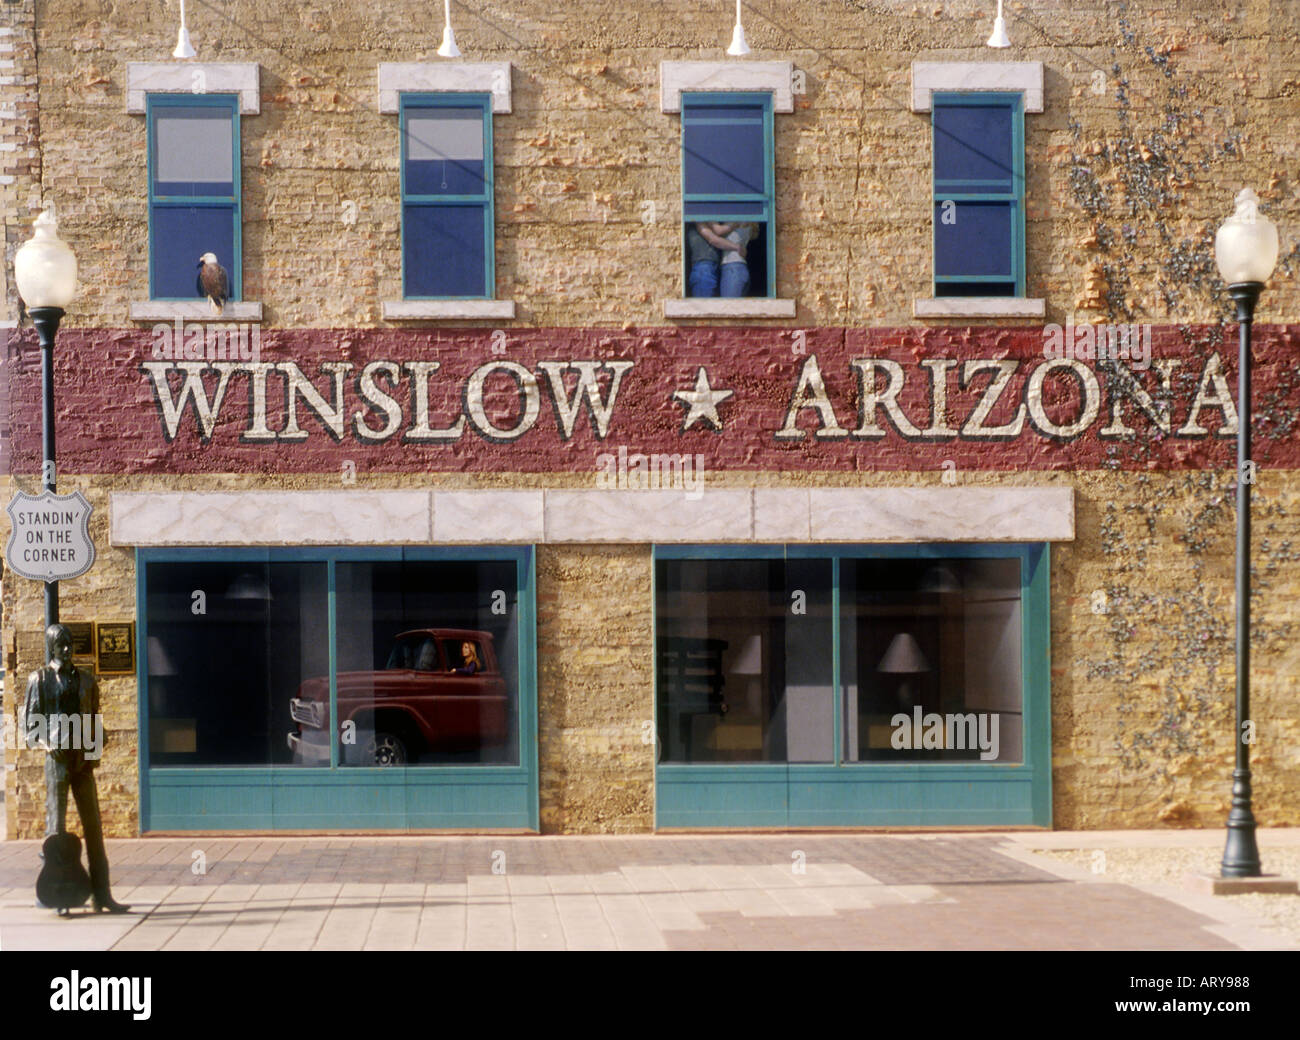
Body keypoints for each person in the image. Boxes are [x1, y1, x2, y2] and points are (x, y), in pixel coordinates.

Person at [24, 623, 130, 914]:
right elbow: (30, 726)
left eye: (70, 644)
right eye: (61, 645)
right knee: (56, 829)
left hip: (82, 761)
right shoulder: (40, 679)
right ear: (51, 647)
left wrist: (96, 749)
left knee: (94, 829)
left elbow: (95, 717)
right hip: (57, 760)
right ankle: (58, 894)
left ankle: (102, 894)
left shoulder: (86, 679)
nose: (68, 649)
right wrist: (47, 744)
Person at [719, 222, 757, 298]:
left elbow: (717, 231)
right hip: (739, 266)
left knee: (729, 306)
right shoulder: (747, 221)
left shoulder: (736, 219)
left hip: (732, 267)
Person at [686, 223, 721, 297]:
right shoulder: (699, 220)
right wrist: (737, 247)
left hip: (709, 268)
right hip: (704, 269)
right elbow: (714, 239)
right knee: (704, 305)